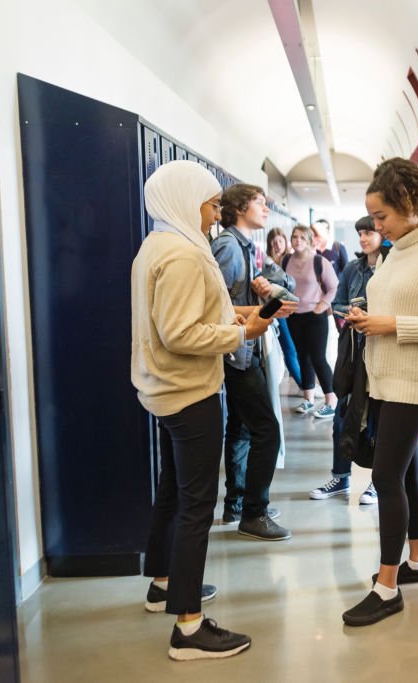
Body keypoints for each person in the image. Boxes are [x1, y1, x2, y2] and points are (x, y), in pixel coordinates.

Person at [131, 160, 271, 660]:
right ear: (186, 199)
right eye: (212, 204)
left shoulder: (159, 245)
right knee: (197, 507)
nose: (216, 214)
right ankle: (188, 628)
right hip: (188, 393)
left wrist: (230, 314)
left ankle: (163, 584)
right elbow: (181, 334)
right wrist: (241, 333)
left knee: (173, 488)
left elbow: (178, 315)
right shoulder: (185, 256)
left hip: (164, 391)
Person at [341, 158, 418, 626]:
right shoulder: (396, 250)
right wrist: (366, 311)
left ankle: (386, 588)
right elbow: (395, 300)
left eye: (382, 216)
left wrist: (388, 323)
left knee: (385, 477)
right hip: (385, 376)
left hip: (414, 381)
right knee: (408, 469)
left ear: (409, 205)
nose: (376, 225)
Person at [210, 184, 295, 541]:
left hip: (243, 351)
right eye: (260, 202)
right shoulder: (229, 247)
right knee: (267, 430)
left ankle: (238, 504)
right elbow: (214, 305)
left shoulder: (244, 246)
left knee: (243, 429)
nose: (266, 207)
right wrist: (256, 313)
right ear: (241, 207)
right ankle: (254, 513)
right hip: (236, 355)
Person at [309, 216, 388, 504]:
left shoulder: (390, 267)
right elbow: (339, 302)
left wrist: (371, 314)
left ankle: (377, 483)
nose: (364, 238)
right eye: (360, 234)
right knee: (343, 413)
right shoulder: (354, 269)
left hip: (382, 353)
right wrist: (351, 314)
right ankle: (341, 478)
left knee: (377, 420)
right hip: (353, 352)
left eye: (369, 232)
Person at [283, 224, 339, 419]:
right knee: (302, 357)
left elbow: (333, 287)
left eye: (301, 238)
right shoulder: (286, 260)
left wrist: (321, 306)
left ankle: (331, 401)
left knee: (317, 357)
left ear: (309, 241)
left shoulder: (319, 261)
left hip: (316, 317)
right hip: (294, 316)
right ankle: (308, 399)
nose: (297, 241)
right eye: (294, 237)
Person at [264, 226, 302, 385]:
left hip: (296, 309)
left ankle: (307, 386)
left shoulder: (292, 260)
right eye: (274, 242)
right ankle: (304, 385)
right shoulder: (268, 264)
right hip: (278, 309)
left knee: (299, 349)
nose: (277, 245)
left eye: (280, 241)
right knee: (289, 349)